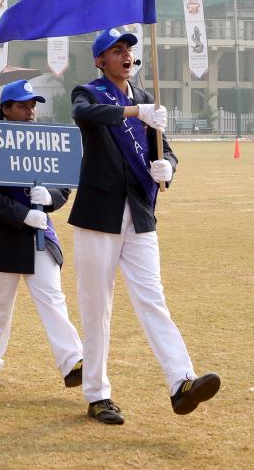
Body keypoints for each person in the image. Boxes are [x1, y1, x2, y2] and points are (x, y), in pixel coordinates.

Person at [70, 28, 220, 425]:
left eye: (129, 50)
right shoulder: (88, 92)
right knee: (96, 308)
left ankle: (181, 382)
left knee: (153, 298)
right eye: (116, 51)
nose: (126, 56)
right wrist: (135, 113)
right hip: (98, 216)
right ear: (100, 60)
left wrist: (167, 166)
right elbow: (84, 115)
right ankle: (98, 394)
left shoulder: (146, 101)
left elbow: (163, 149)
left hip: (138, 214)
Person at [0, 79, 83, 390]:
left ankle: (73, 361)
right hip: (1, 236)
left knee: (53, 299)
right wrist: (24, 214)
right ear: (5, 109)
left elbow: (63, 185)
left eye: (32, 105)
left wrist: (50, 199)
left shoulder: (47, 141)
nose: (30, 111)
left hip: (40, 239)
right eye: (22, 105)